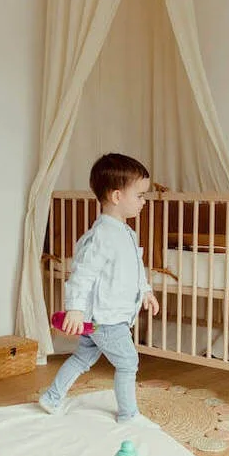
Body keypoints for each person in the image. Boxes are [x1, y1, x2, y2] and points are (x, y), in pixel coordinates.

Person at [39, 153, 160, 421]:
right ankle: (128, 413)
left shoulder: (126, 233)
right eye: (140, 195)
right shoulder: (101, 236)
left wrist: (146, 290)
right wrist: (75, 309)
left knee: (82, 358)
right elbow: (82, 274)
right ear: (117, 196)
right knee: (127, 362)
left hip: (105, 316)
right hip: (107, 318)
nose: (144, 202)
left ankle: (52, 397)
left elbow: (134, 268)